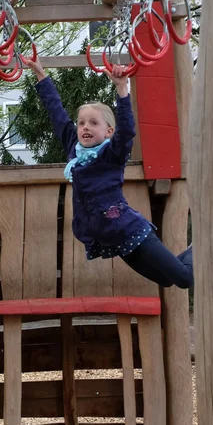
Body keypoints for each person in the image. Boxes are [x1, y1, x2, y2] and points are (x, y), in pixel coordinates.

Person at [25, 56, 193, 289]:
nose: (85, 127)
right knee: (165, 280)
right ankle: (196, 250)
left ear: (108, 132)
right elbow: (56, 113)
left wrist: (122, 89)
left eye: (94, 123)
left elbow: (126, 132)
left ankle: (203, 245)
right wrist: (40, 74)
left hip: (130, 230)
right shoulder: (74, 149)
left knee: (185, 279)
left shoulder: (111, 156)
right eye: (82, 122)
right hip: (115, 240)